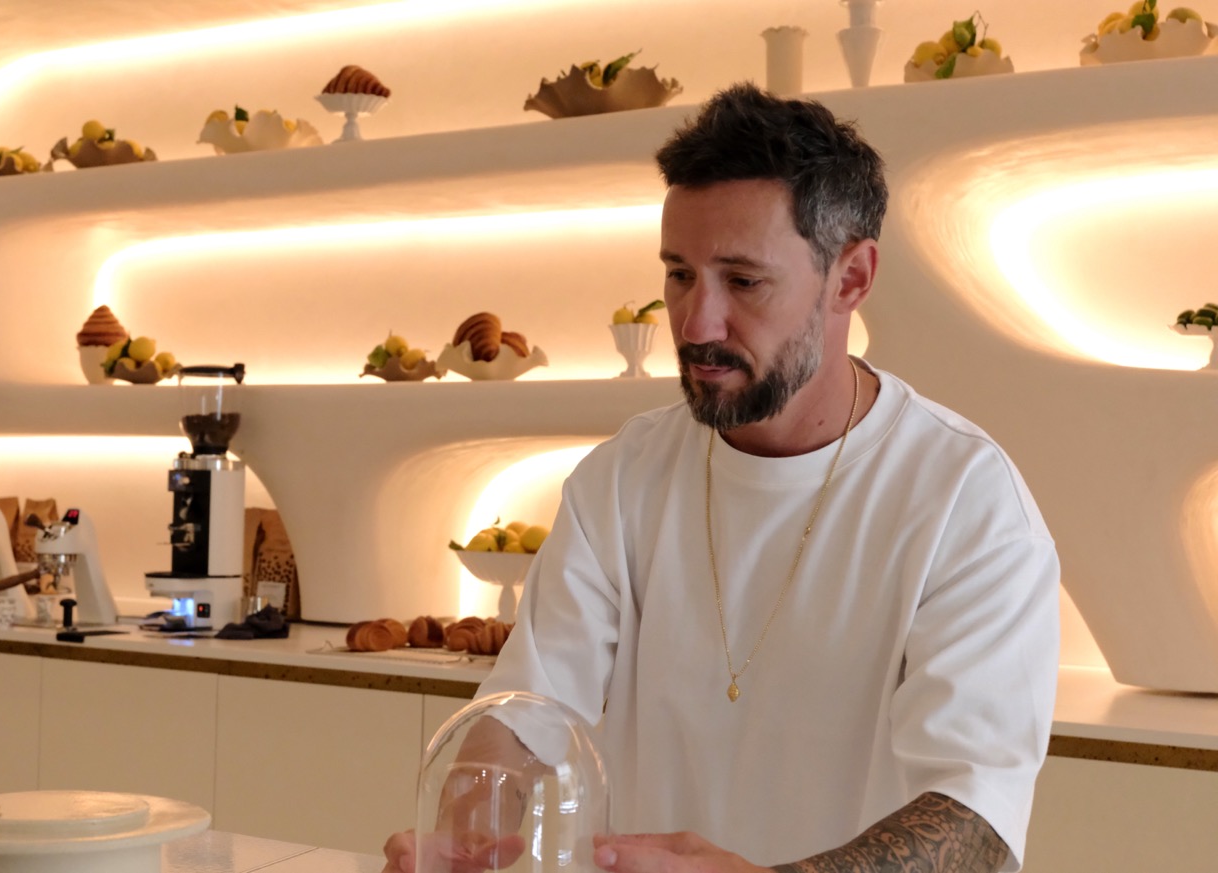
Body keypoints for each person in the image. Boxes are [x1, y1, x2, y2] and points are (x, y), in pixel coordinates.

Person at [385, 83, 1059, 873]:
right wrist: (469, 829)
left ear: (850, 278)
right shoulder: (620, 479)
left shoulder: (966, 499)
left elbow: (975, 819)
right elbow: (527, 713)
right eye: (679, 274)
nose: (696, 323)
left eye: (743, 281)